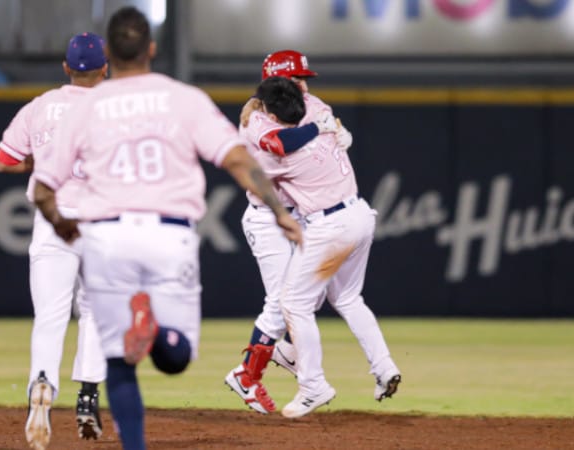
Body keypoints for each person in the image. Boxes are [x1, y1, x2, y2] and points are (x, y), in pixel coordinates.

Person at [31, 7, 302, 450]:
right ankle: (155, 334)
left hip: (108, 237)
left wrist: (62, 225)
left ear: (109, 56)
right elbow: (237, 159)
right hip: (168, 235)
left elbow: (43, 187)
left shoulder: (85, 108)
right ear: (151, 49)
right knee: (177, 358)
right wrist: (278, 209)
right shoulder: (183, 98)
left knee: (117, 362)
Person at [238, 75, 402, 419]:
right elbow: (314, 131)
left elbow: (272, 148)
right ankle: (384, 367)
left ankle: (313, 385)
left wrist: (252, 118)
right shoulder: (322, 128)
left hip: (331, 226)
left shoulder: (285, 155)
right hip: (359, 214)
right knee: (347, 298)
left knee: (293, 303)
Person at [0, 33, 109, 449]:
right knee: (96, 313)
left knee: (50, 316)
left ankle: (40, 388)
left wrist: (37, 161)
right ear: (105, 68)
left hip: (52, 220)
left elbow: (4, 160)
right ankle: (88, 398)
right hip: (100, 224)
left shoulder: (41, 106)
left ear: (66, 67)